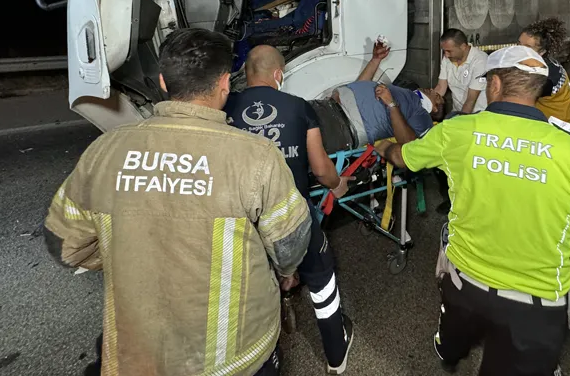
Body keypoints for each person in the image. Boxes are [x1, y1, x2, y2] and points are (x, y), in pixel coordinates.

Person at [43, 29, 312, 376]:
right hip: (234, 358)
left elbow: (63, 245)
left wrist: (126, 250)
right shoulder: (256, 156)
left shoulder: (105, 150)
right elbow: (289, 244)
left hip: (137, 356)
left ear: (163, 82)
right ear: (224, 84)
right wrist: (283, 272)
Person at [376, 45, 570, 376]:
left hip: (465, 287)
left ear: (495, 85)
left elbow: (403, 156)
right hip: (538, 309)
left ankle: (450, 348)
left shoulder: (456, 132)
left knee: (452, 334)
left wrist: (384, 147)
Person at [225, 45, 355, 375]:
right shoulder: (299, 107)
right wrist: (338, 184)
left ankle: (259, 354)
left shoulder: (226, 106)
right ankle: (336, 354)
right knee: (322, 279)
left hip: (243, 218)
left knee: (249, 287)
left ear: (246, 74)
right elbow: (321, 169)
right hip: (292, 215)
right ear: (278, 74)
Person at [312, 39, 444, 152]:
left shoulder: (422, 115)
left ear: (434, 109)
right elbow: (359, 86)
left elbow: (409, 144)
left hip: (341, 124)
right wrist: (376, 60)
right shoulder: (405, 94)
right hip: (327, 106)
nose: (432, 90)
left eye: (437, 96)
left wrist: (391, 104)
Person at [518, 17, 570, 135]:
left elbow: (519, 98)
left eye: (527, 47)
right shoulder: (541, 62)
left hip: (561, 132)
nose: (519, 50)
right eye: (519, 44)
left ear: (542, 52)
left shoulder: (546, 74)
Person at [434, 28, 488, 114]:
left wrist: (461, 120)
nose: (446, 55)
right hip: (457, 112)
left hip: (478, 115)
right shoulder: (448, 59)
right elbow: (441, 87)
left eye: (449, 51)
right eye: (444, 51)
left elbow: (471, 100)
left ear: (463, 47)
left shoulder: (480, 61)